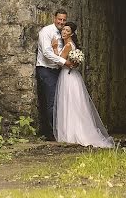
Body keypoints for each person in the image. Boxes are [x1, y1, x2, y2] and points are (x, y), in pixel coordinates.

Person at [52, 22, 114, 148]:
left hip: (67, 76)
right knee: (73, 104)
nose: (64, 32)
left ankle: (71, 133)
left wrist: (54, 48)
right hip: (73, 76)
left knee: (69, 103)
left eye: (67, 31)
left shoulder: (69, 45)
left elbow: (59, 61)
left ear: (72, 33)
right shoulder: (71, 45)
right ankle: (73, 131)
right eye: (63, 30)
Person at [35, 9, 75, 140]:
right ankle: (52, 134)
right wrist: (65, 62)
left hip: (58, 71)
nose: (62, 22)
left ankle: (60, 131)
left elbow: (63, 51)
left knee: (60, 101)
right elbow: (47, 53)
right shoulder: (46, 32)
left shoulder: (63, 35)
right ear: (54, 18)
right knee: (51, 102)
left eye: (64, 20)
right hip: (46, 70)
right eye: (59, 19)